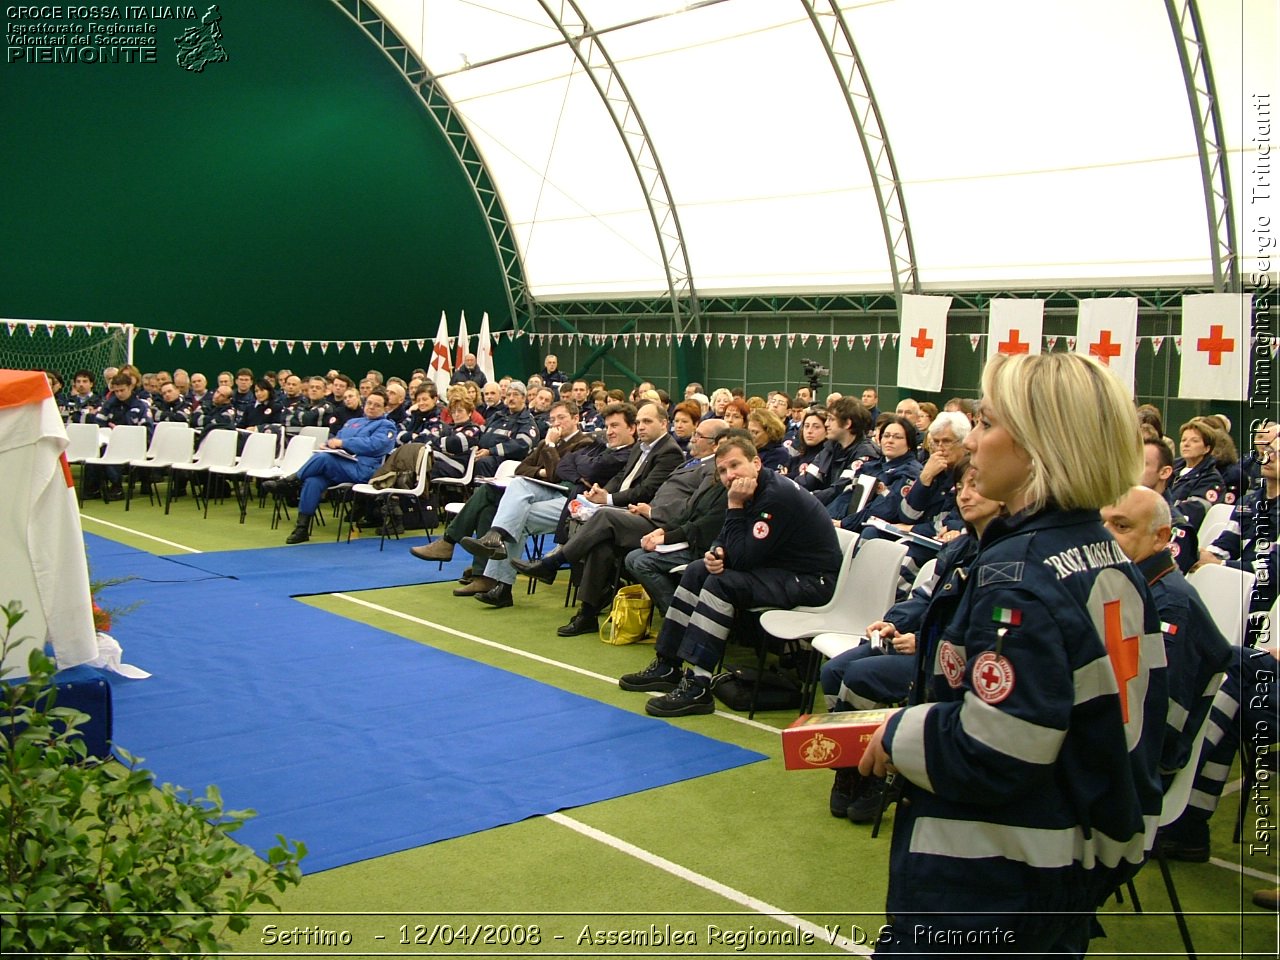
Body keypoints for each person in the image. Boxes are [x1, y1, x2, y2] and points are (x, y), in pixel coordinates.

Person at [857, 352, 1167, 956]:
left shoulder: (1018, 573)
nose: (972, 442)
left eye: (990, 423)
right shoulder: (1105, 553)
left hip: (999, 873)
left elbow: (995, 748)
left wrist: (900, 731)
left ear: (1039, 444)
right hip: (1069, 862)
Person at [618, 436, 843, 718]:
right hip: (778, 570)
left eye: (735, 465)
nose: (729, 475)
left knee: (721, 583)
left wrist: (734, 508)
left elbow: (746, 558)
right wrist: (715, 554)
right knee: (699, 569)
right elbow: (725, 539)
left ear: (757, 463)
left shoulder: (775, 496)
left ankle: (698, 685)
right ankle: (668, 663)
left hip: (811, 581)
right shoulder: (747, 491)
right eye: (723, 470)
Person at [826, 462, 1001, 823]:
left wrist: (920, 641)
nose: (964, 495)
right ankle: (850, 767)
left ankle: (877, 773)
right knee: (834, 671)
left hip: (944, 661)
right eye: (960, 487)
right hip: (914, 642)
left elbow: (972, 633)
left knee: (861, 676)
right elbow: (922, 598)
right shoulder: (959, 548)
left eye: (975, 486)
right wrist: (892, 624)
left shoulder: (1002, 557)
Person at [512, 420, 730, 633]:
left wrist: (652, 511)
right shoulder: (690, 462)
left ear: (716, 443)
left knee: (605, 516)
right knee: (601, 544)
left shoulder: (714, 468)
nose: (692, 438)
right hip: (648, 515)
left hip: (663, 525)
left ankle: (552, 564)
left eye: (699, 435)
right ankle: (587, 614)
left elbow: (692, 506)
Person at [1101, 486, 1231, 787]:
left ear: (1160, 538)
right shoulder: (1127, 583)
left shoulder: (1171, 605)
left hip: (1140, 765)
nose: (1105, 536)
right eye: (1102, 524)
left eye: (1121, 526)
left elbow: (1157, 718)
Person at [282, 389, 397, 544]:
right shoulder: (353, 422)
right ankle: (302, 528)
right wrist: (328, 445)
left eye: (377, 405)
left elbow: (375, 445)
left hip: (363, 470)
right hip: (340, 466)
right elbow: (337, 439)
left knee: (324, 459)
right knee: (314, 480)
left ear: (385, 409)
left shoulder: (387, 426)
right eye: (369, 403)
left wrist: (343, 443)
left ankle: (291, 481)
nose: (371, 407)